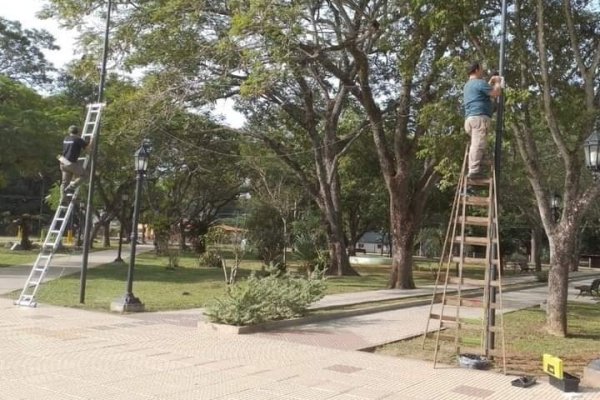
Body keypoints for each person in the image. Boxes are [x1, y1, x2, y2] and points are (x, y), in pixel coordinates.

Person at [463, 61, 503, 179]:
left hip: (471, 119)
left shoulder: (468, 85)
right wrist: (498, 83)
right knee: (478, 144)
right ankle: (474, 171)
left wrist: (491, 82)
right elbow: (495, 93)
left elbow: (484, 92)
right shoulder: (479, 83)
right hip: (479, 118)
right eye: (481, 69)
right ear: (476, 70)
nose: (482, 71)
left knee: (477, 143)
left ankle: (475, 166)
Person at [58, 125, 93, 204]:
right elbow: (88, 150)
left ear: (69, 132)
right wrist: (91, 140)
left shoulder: (66, 138)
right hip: (69, 162)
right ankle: (71, 187)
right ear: (78, 132)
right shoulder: (78, 139)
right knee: (85, 175)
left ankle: (63, 199)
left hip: (62, 161)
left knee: (64, 182)